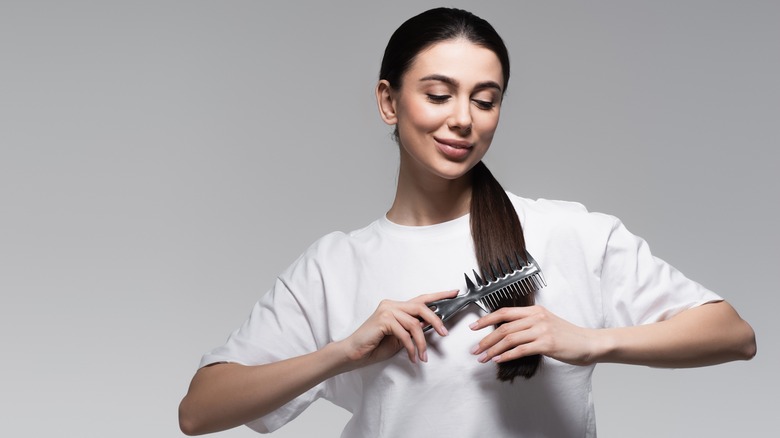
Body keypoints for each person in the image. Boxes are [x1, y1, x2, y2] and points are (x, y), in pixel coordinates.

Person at [179, 7, 756, 437]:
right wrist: (344, 352)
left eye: (485, 100)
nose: (462, 119)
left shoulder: (568, 233)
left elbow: (733, 334)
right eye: (438, 94)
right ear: (389, 101)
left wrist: (591, 342)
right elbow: (200, 410)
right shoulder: (336, 264)